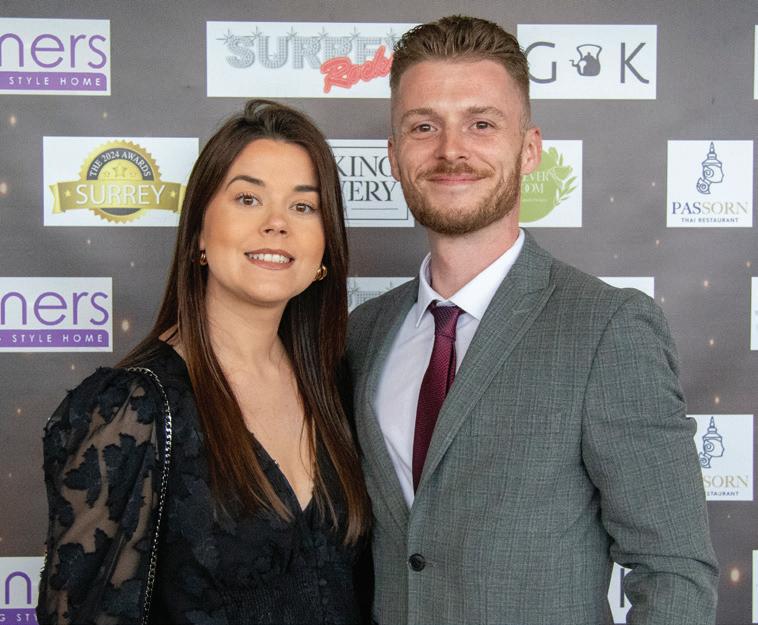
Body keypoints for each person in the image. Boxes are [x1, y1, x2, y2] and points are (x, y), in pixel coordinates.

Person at [346, 15, 718, 625]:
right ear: (393, 154)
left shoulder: (607, 329)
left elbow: (674, 570)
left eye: (482, 124)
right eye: (423, 126)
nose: (450, 150)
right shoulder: (364, 333)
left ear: (530, 149)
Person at [38, 99, 370, 625]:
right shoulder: (132, 408)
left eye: (304, 206)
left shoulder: (339, 386)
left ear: (325, 249)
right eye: (247, 198)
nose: (277, 224)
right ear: (198, 233)